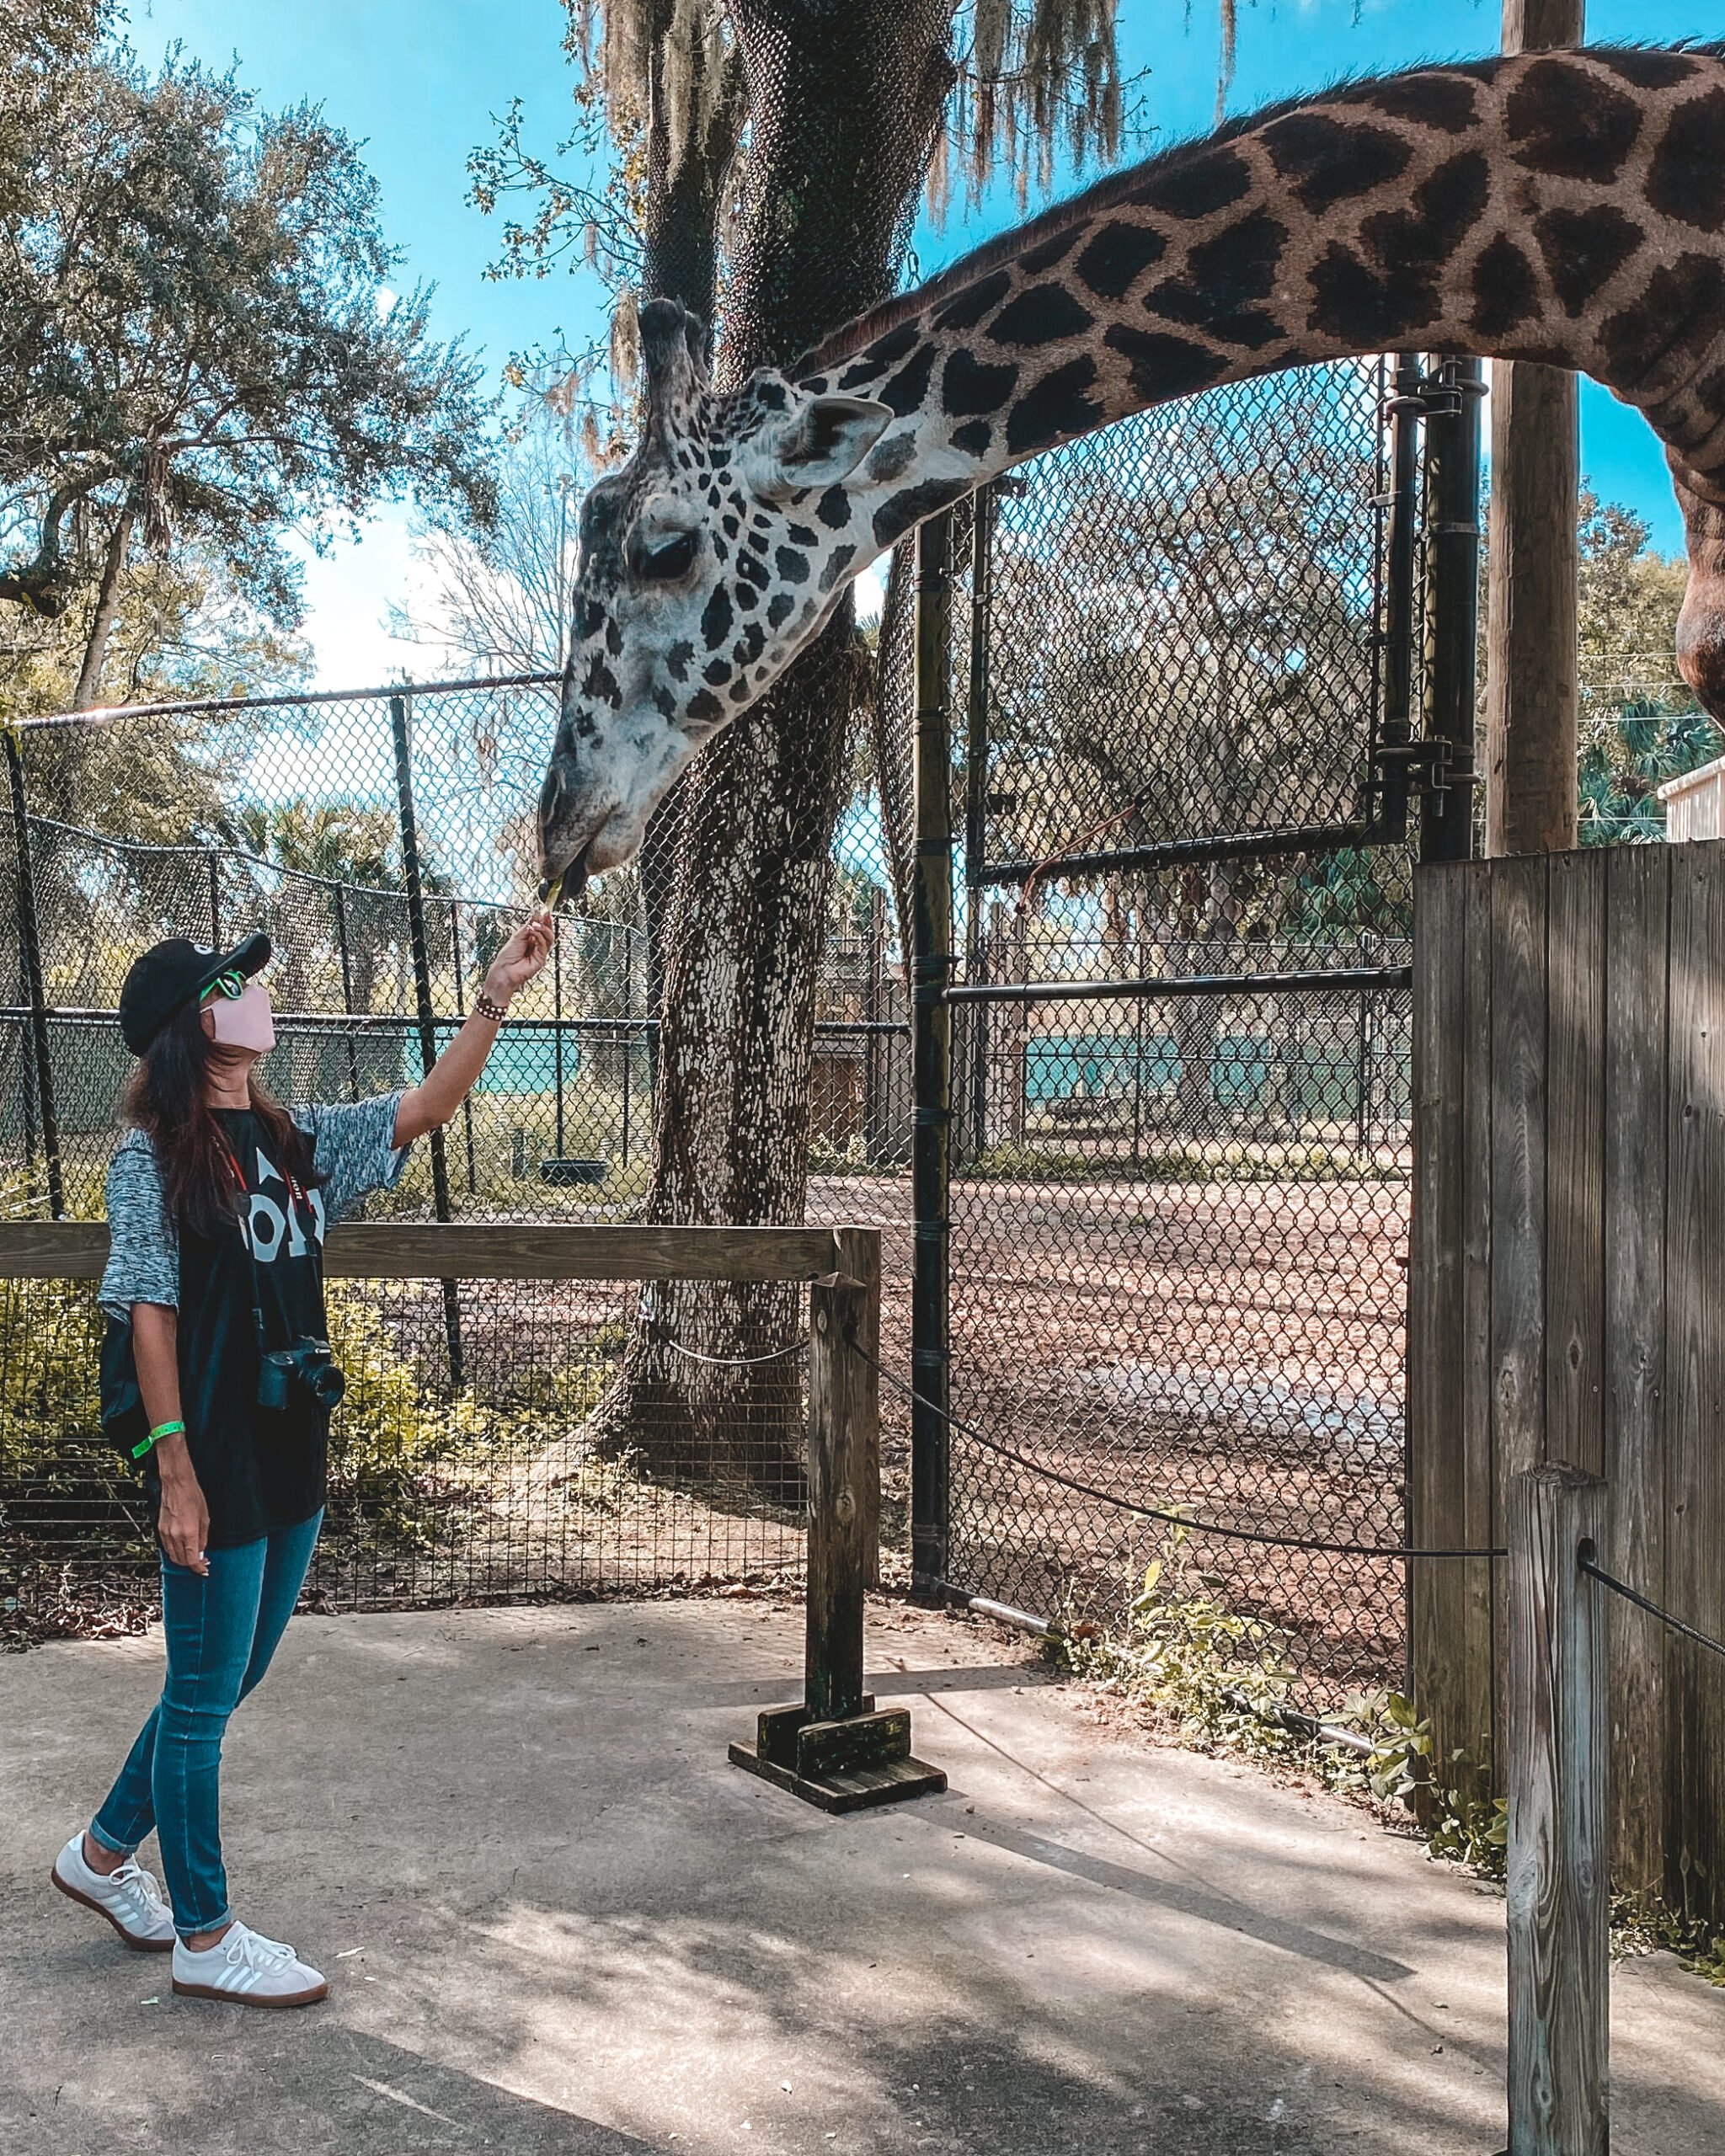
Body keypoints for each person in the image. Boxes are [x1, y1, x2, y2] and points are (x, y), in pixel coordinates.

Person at [51, 912, 553, 2006]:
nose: (257, 993)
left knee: (229, 1678)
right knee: (199, 1699)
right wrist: (174, 1471)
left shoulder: (292, 1142)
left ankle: (96, 1857)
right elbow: (148, 1303)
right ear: (195, 1028)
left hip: (292, 1450)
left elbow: (422, 1109)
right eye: (234, 983)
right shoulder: (152, 1154)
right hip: (214, 1457)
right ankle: (205, 1933)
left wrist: (494, 995)